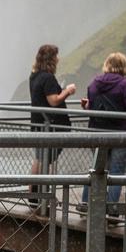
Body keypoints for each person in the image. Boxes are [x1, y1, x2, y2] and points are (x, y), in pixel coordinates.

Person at [76, 52, 126, 219]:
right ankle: (111, 211)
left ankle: (86, 204)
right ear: (123, 66)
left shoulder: (94, 84)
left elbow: (94, 109)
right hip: (121, 134)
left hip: (97, 134)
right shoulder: (124, 84)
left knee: (96, 170)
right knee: (116, 172)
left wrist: (88, 106)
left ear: (106, 65)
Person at [28, 44, 76, 207]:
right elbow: (53, 100)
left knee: (40, 158)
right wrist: (67, 91)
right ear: (51, 59)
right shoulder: (48, 78)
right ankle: (42, 195)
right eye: (56, 56)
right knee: (45, 160)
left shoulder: (34, 76)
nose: (58, 58)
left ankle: (34, 195)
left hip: (38, 124)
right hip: (51, 126)